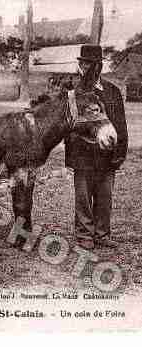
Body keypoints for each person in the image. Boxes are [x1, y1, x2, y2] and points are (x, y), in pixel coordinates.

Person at [65, 44, 129, 250]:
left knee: (105, 196)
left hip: (107, 156)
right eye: (82, 64)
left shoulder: (113, 91)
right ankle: (85, 234)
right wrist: (72, 155)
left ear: (99, 66)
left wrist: (120, 152)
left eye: (90, 64)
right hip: (83, 156)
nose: (85, 68)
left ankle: (102, 234)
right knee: (83, 197)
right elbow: (69, 127)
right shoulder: (74, 93)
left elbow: (120, 124)